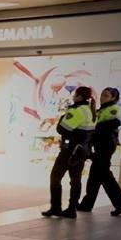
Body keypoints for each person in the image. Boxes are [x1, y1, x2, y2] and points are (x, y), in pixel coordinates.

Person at [79, 86, 121, 217]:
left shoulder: (113, 109)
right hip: (100, 146)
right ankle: (87, 204)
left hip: (106, 146)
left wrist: (93, 132)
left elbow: (108, 126)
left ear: (113, 98)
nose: (103, 97)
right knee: (95, 176)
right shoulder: (102, 110)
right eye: (102, 95)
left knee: (103, 175)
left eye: (106, 95)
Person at [43, 85, 95, 219]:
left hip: (70, 150)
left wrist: (62, 118)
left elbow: (62, 129)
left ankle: (56, 207)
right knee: (75, 179)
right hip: (82, 150)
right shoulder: (89, 110)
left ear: (79, 97)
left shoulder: (77, 111)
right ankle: (72, 208)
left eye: (75, 95)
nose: (73, 97)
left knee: (55, 177)